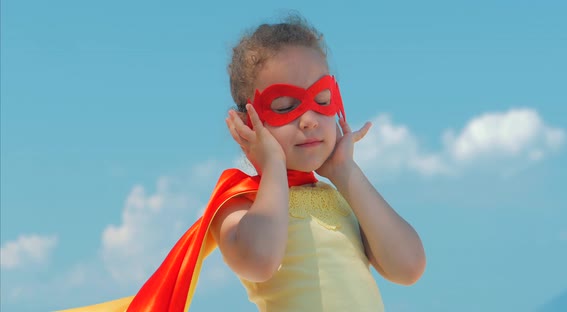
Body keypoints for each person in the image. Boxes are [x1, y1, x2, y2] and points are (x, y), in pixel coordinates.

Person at [58, 14, 425, 312]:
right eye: (284, 107)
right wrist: (274, 169)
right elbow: (260, 260)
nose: (310, 119)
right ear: (248, 125)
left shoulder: (342, 199)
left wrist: (346, 172)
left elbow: (408, 267)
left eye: (322, 99)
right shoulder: (239, 204)